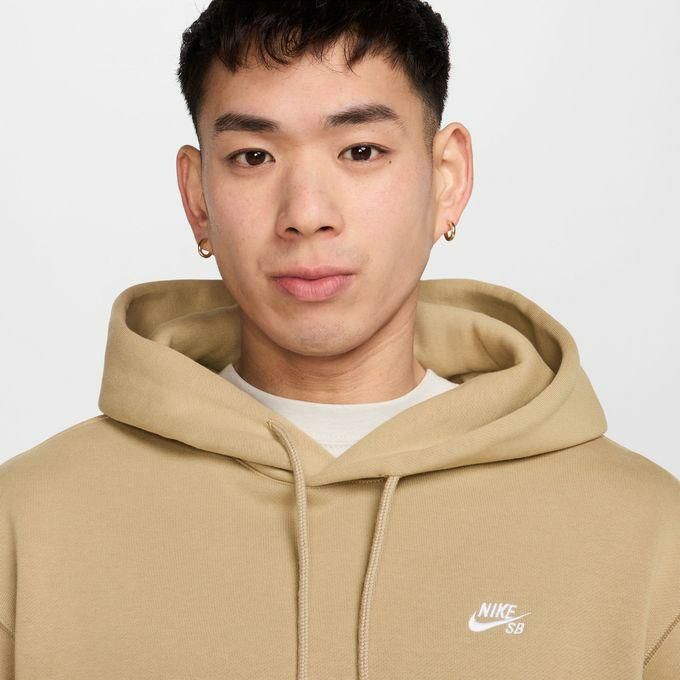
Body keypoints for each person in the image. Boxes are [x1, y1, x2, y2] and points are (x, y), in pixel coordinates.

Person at [1, 0, 678, 677]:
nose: (306, 213)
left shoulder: (646, 535)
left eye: (361, 151)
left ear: (447, 179)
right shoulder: (27, 525)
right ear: (198, 197)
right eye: (253, 156)